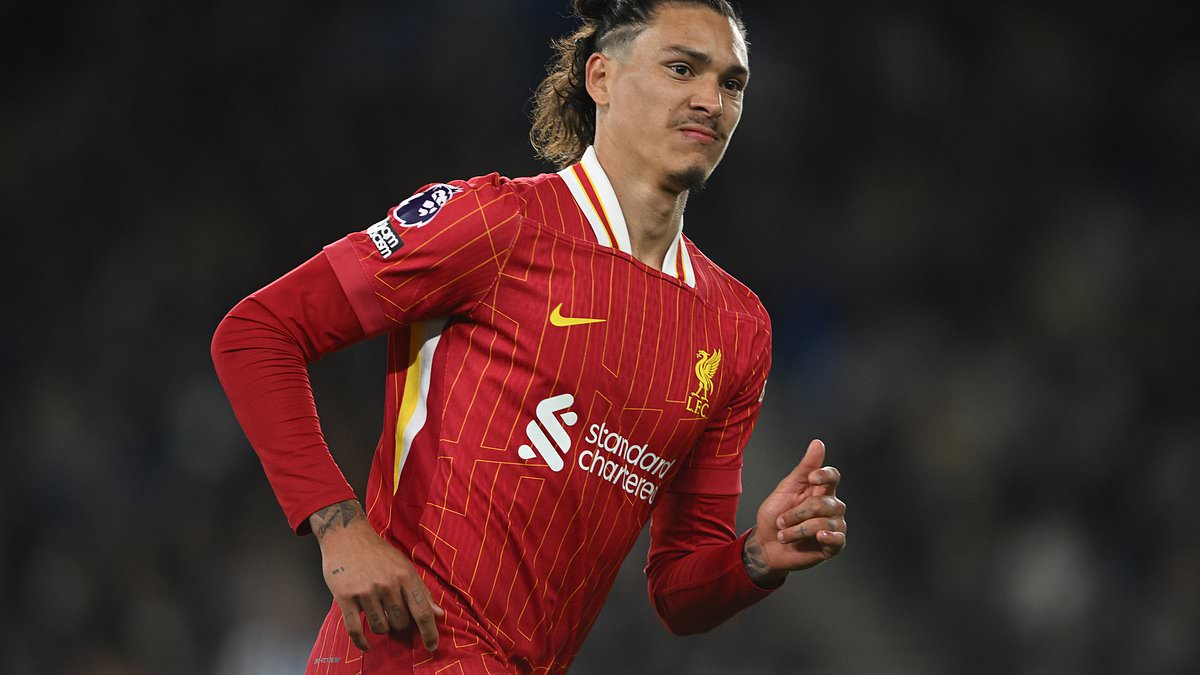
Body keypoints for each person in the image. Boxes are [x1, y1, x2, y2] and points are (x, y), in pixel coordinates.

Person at [211, 0, 848, 672]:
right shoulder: (498, 223)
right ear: (601, 77)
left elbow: (678, 593)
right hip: (406, 653)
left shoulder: (737, 328)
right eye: (682, 69)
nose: (710, 101)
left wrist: (756, 557)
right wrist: (339, 528)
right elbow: (257, 332)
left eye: (731, 83)